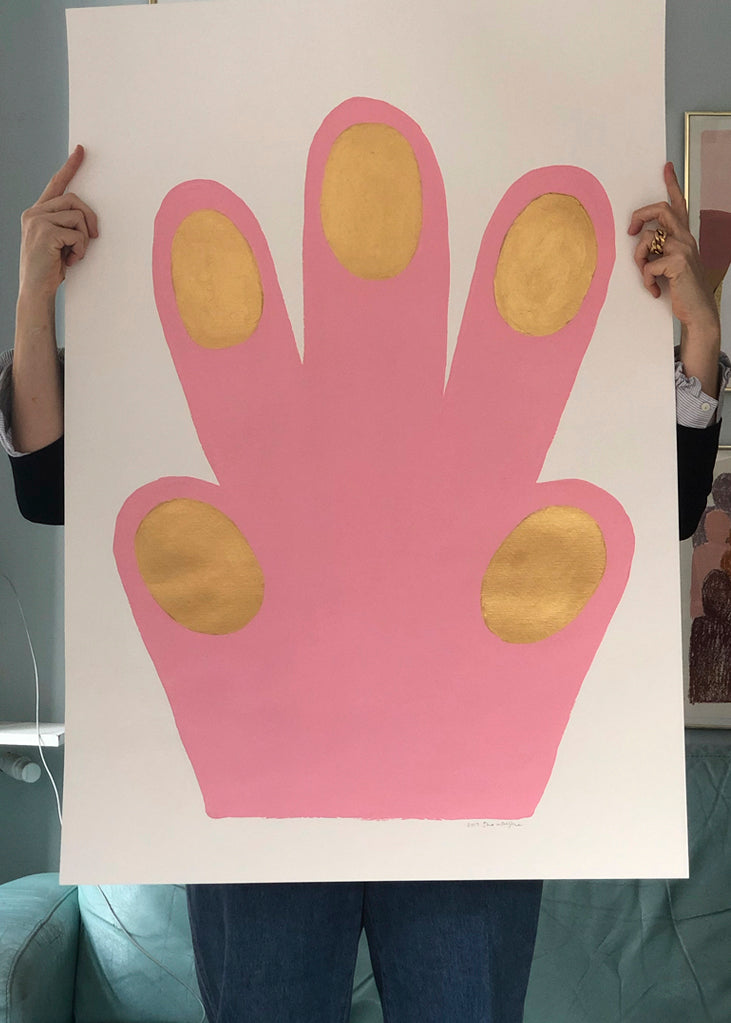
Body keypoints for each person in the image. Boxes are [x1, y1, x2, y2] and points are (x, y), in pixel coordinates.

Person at [1, 147, 725, 1023]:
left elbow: (667, 505)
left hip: (467, 775)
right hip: (267, 765)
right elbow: (47, 487)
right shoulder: (183, 178)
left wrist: (699, 333)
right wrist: (33, 300)